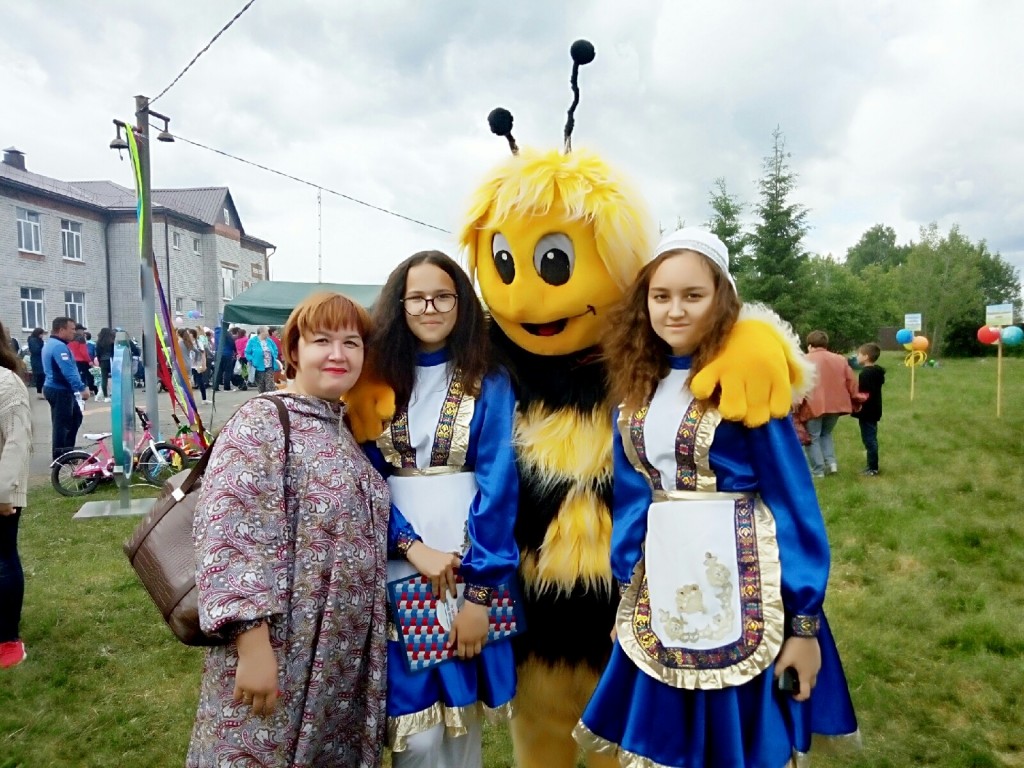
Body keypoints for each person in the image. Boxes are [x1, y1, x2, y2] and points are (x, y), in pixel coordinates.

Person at [574, 228, 858, 767]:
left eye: (693, 295)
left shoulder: (745, 380)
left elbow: (793, 501)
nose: (675, 310)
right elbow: (634, 502)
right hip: (663, 589)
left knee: (736, 737)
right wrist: (628, 597)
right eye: (661, 296)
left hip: (741, 584)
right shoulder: (636, 391)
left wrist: (804, 624)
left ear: (721, 299)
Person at [189, 291, 390, 766]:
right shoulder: (265, 420)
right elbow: (229, 532)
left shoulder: (338, 425)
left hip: (336, 658)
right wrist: (253, 645)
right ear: (294, 351)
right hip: (282, 648)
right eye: (322, 340)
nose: (338, 354)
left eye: (351, 342)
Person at [362, 251, 519, 766]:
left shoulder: (489, 381)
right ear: (399, 305)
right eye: (417, 298)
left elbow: (499, 486)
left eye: (442, 296)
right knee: (417, 735)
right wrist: (408, 545)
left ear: (462, 303)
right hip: (396, 566)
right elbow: (365, 482)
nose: (429, 308)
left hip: (468, 566)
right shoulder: (374, 380)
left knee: (461, 724)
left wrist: (480, 594)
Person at [0, 322, 31, 670]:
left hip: (1, 494)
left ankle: (7, 638)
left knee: (2, 559)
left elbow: (17, 441)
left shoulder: (7, 383)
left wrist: (3, 492)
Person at [799, 330, 859, 477]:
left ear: (810, 345)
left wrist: (795, 405)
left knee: (813, 437)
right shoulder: (840, 359)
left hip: (813, 405)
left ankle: (818, 470)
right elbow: (851, 381)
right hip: (836, 404)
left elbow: (798, 385)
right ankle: (832, 464)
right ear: (826, 344)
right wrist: (856, 398)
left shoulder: (803, 360)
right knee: (826, 433)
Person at [42, 317, 91, 460]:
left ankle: (67, 452)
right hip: (59, 390)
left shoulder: (52, 344)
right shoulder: (59, 347)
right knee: (62, 425)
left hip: (57, 388)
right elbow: (68, 371)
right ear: (61, 330)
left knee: (75, 418)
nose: (74, 332)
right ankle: (60, 458)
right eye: (72, 329)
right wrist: (82, 388)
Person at [852, 343, 885, 476]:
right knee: (870, 437)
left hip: (867, 411)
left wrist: (854, 399)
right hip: (874, 410)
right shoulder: (876, 372)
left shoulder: (865, 374)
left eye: (859, 354)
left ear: (866, 357)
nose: (857, 357)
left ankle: (873, 468)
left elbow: (864, 394)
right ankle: (871, 465)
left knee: (869, 439)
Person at [245, 326, 279, 393]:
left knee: (270, 385)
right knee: (261, 386)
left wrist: (274, 356)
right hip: (258, 367)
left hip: (269, 366)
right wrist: (252, 360)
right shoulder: (252, 341)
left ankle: (270, 397)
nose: (268, 333)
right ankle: (263, 397)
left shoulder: (269, 340)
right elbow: (247, 353)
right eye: (267, 331)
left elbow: (275, 349)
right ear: (261, 332)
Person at [68, 324, 98, 396]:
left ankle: (78, 390)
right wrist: (89, 361)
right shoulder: (81, 338)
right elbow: (83, 351)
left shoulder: (69, 338)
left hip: (72, 360)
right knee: (89, 376)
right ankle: (91, 390)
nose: (83, 331)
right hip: (82, 360)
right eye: (82, 330)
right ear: (78, 330)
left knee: (77, 375)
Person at [95, 327, 115, 402]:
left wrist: (100, 362)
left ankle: (106, 396)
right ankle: (114, 393)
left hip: (103, 361)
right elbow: (113, 352)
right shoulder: (112, 342)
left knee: (104, 379)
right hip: (112, 361)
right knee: (115, 377)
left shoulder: (99, 342)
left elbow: (98, 354)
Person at [26, 328, 46, 400]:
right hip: (37, 361)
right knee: (40, 376)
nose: (42, 335)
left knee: (42, 376)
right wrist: (44, 349)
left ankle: (41, 392)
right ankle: (39, 393)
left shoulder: (38, 340)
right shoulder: (33, 340)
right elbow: (36, 350)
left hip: (39, 360)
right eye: (41, 334)